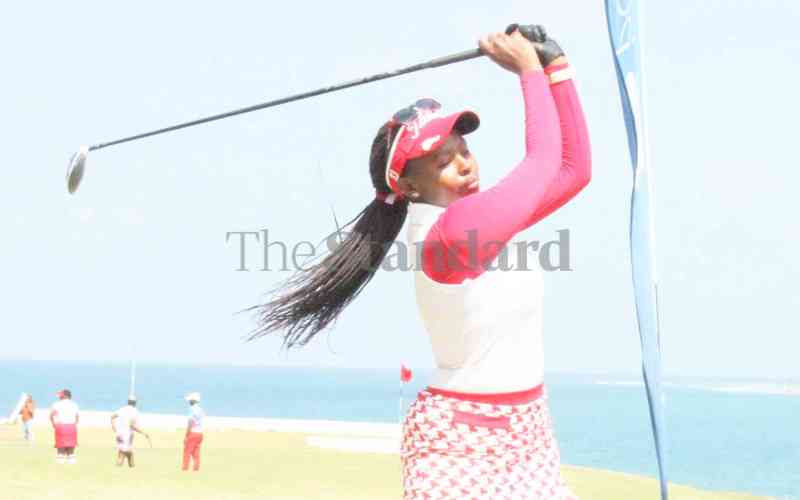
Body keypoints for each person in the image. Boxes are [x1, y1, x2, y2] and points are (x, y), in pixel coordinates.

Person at [248, 24, 590, 499]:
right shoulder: (449, 235)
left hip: (528, 432)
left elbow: (573, 170)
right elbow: (543, 161)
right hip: (462, 444)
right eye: (444, 161)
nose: (465, 164)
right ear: (409, 186)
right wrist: (528, 71)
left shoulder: (485, 218)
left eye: (464, 150)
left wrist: (557, 67)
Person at [111, 396, 149, 468]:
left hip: (119, 435)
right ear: (135, 403)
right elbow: (132, 425)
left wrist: (114, 428)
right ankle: (119, 469)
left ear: (128, 402)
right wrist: (143, 433)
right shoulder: (134, 411)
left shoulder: (122, 409)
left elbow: (112, 417)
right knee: (123, 455)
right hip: (126, 436)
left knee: (127, 454)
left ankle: (131, 470)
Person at [50, 389, 80, 464]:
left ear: (65, 396)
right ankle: (71, 462)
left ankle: (60, 462)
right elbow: (77, 417)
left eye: (60, 395)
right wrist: (74, 425)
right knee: (71, 447)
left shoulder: (57, 404)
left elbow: (51, 415)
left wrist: (54, 424)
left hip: (61, 427)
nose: (59, 397)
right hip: (72, 427)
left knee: (60, 448)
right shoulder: (74, 404)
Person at [181, 392, 205, 471]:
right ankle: (196, 469)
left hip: (193, 433)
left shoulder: (192, 409)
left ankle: (185, 469)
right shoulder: (201, 410)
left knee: (187, 452)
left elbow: (191, 423)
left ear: (193, 401)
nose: (189, 401)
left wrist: (186, 435)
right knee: (196, 453)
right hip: (200, 433)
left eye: (190, 400)